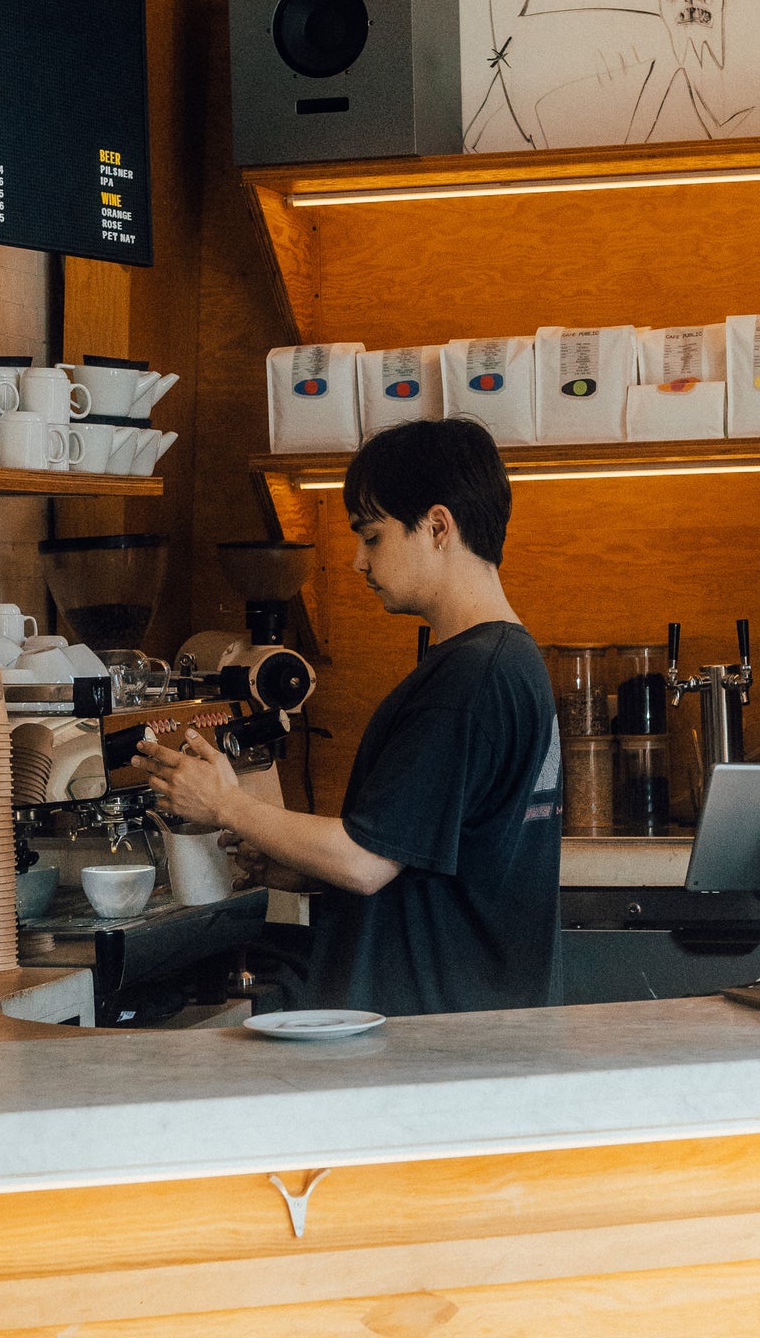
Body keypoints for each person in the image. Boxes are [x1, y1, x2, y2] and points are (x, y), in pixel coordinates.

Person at [132, 418, 563, 1015]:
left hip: (431, 1038)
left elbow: (364, 863)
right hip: (468, 1022)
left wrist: (227, 805)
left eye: (373, 536)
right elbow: (421, 856)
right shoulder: (510, 660)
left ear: (438, 527)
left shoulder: (468, 680)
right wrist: (293, 862)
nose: (358, 561)